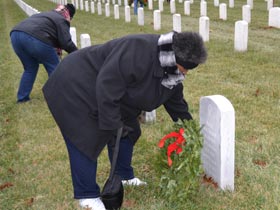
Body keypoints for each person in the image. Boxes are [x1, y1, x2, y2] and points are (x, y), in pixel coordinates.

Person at [43, 31, 207, 209]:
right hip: (76, 83)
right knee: (86, 136)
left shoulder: (171, 71)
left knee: (128, 130)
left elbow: (176, 103)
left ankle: (124, 176)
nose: (186, 73)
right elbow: (107, 84)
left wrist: (190, 131)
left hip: (111, 93)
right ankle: (87, 195)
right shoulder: (136, 49)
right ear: (174, 58)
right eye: (185, 68)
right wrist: (112, 124)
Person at [10, 4, 78, 103]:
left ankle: (22, 98)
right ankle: (61, 98)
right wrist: (78, 53)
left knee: (30, 68)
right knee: (55, 68)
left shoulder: (48, 14)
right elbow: (66, 42)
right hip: (36, 37)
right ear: (69, 16)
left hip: (15, 35)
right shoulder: (62, 19)